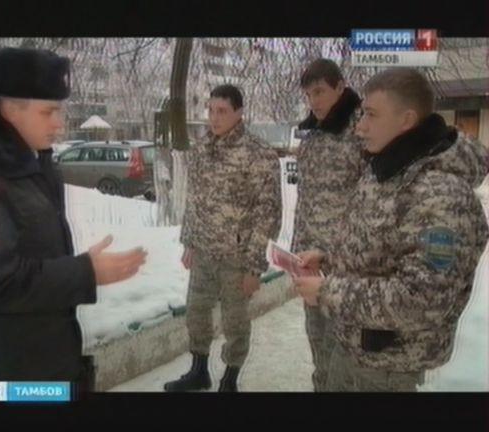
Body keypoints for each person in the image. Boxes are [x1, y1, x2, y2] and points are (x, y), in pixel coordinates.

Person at [0, 47, 147, 395]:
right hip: (21, 368)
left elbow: (37, 249)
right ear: (10, 109)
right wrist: (86, 272)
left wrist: (80, 269)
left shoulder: (30, 157)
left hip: (56, 352)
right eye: (48, 111)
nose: (59, 123)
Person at [293, 68, 489, 391]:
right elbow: (379, 247)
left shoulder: (440, 196)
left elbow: (421, 299)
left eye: (371, 115)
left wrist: (329, 292)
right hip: (353, 347)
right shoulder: (387, 169)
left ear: (406, 120)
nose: (360, 126)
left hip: (388, 368)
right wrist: (329, 259)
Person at [164, 84, 282, 392]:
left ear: (239, 112)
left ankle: (229, 379)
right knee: (196, 312)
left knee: (235, 321)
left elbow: (268, 214)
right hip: (204, 251)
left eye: (222, 111)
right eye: (211, 110)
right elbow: (194, 199)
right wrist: (189, 241)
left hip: (237, 257)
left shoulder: (258, 154)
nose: (214, 118)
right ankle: (198, 371)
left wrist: (254, 266)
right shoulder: (203, 148)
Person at [290, 58, 365, 391]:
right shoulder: (313, 136)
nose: (314, 101)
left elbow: (374, 202)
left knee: (344, 354)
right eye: (309, 95)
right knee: (319, 345)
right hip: (312, 264)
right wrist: (296, 254)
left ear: (340, 87)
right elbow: (305, 200)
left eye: (320, 91)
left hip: (349, 267)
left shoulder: (362, 132)